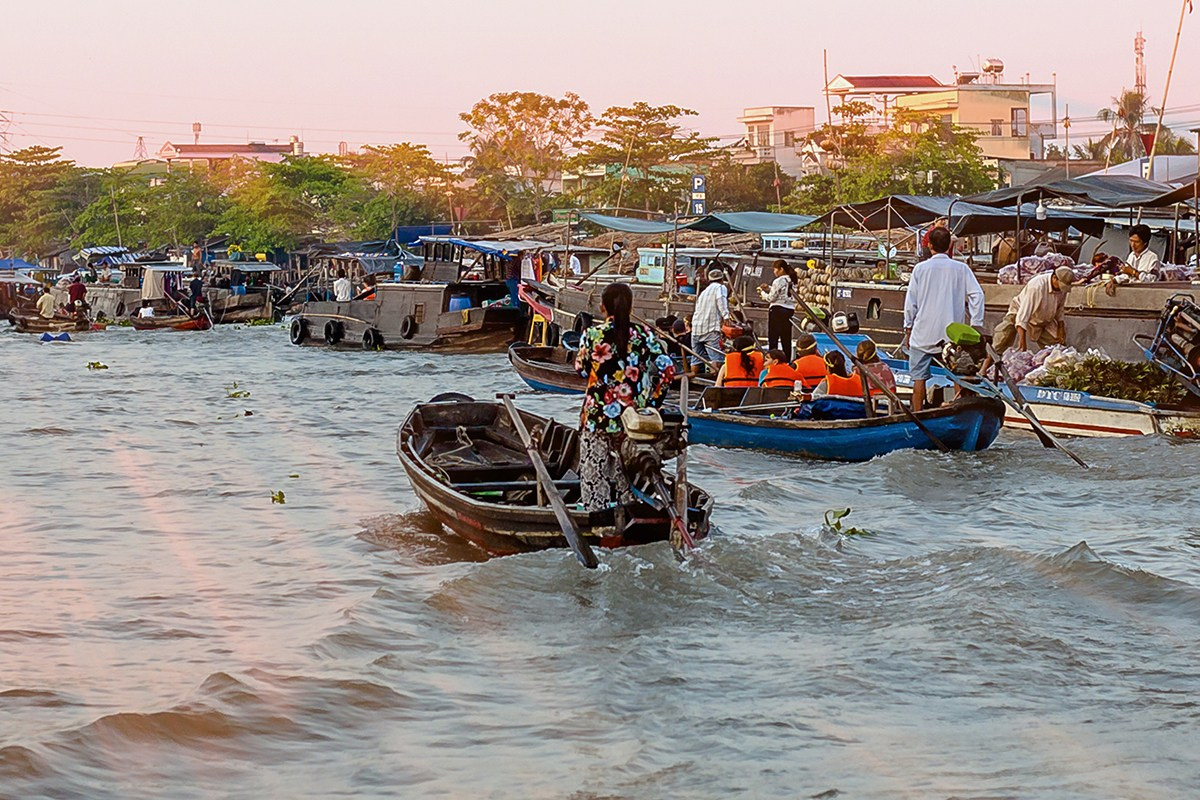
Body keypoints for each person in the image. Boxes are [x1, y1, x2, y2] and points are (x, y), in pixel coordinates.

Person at [574, 282, 675, 511]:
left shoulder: (592, 334)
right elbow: (668, 371)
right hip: (634, 419)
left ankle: (597, 517)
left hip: (597, 416)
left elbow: (580, 369)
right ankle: (628, 511)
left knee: (594, 474)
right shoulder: (645, 335)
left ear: (603, 308)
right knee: (626, 472)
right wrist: (652, 404)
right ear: (630, 307)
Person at [903, 225, 984, 411]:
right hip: (952, 337)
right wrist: (975, 324)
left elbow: (911, 303)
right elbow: (977, 296)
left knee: (918, 380)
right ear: (949, 246)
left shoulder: (920, 269)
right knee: (957, 376)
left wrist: (908, 328)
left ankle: (917, 416)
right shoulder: (961, 269)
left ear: (930, 245)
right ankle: (961, 411)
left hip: (923, 334)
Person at [991, 266, 1075, 356]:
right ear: (1054, 278)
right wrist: (1022, 344)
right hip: (1019, 312)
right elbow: (1022, 317)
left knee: (1058, 348)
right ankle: (986, 365)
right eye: (1061, 285)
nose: (1062, 289)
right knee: (1002, 339)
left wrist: (1061, 328)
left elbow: (1060, 309)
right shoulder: (1037, 287)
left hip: (1043, 319)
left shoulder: (1062, 289)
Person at [690, 267, 730, 374]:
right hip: (710, 328)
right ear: (722, 279)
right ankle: (716, 381)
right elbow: (721, 300)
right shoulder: (720, 287)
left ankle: (692, 379)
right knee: (716, 358)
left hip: (696, 328)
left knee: (696, 358)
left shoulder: (704, 292)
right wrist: (726, 317)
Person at [758, 259, 797, 361]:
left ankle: (772, 359)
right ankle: (787, 360)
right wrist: (769, 288)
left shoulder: (778, 280)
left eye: (775, 269)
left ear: (781, 269)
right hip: (789, 310)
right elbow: (784, 293)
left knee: (773, 338)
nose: (774, 272)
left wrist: (762, 293)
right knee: (786, 338)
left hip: (777, 310)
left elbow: (771, 298)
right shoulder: (791, 280)